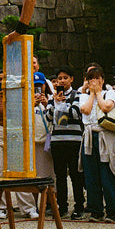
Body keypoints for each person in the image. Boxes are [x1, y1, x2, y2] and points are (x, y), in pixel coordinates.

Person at [0, 70, 39, 220]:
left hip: (13, 132)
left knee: (19, 170)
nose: (2, 82)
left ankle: (28, 208)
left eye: (5, 79)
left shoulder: (18, 97)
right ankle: (1, 207)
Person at [79, 65, 115, 222]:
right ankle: (95, 210)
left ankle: (112, 211)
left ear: (103, 79)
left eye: (97, 78)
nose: (94, 81)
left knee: (108, 174)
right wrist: (91, 93)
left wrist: (98, 93)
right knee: (91, 175)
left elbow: (106, 107)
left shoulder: (109, 92)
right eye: (91, 78)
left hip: (106, 136)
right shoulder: (82, 94)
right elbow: (85, 109)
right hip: (90, 137)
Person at [45, 66, 84, 219]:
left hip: (74, 141)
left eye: (65, 78)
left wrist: (62, 105)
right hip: (57, 141)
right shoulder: (52, 97)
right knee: (60, 176)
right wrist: (55, 103)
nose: (62, 81)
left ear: (71, 79)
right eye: (59, 78)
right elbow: (47, 117)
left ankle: (79, 206)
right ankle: (62, 207)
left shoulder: (77, 95)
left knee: (76, 175)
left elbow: (76, 113)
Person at [33, 71, 55, 182]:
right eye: (35, 85)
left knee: (50, 174)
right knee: (36, 176)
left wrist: (48, 105)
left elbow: (58, 119)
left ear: (45, 85)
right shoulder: (26, 101)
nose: (38, 88)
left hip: (48, 142)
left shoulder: (52, 99)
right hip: (34, 143)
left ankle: (52, 198)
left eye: (40, 85)